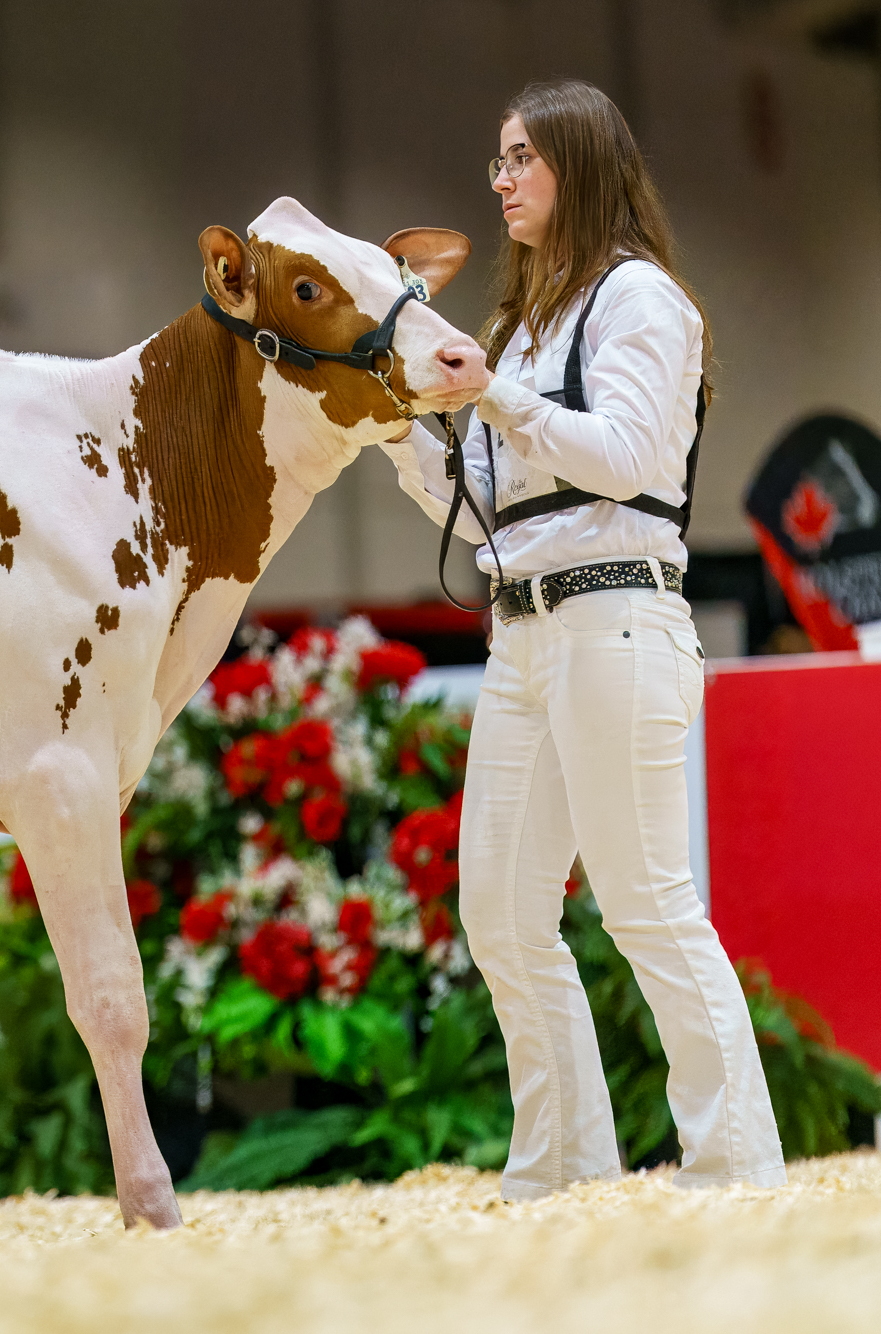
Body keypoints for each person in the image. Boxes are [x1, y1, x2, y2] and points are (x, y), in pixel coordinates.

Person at [380, 78, 784, 1199]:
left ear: (582, 164)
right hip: (521, 633)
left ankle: (737, 1168)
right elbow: (479, 508)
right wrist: (396, 423)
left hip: (617, 613)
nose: (502, 180)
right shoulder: (515, 326)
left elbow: (620, 456)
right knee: (500, 912)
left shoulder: (639, 298)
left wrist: (495, 396)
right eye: (498, 160)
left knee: (645, 899)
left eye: (523, 158)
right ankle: (560, 1173)